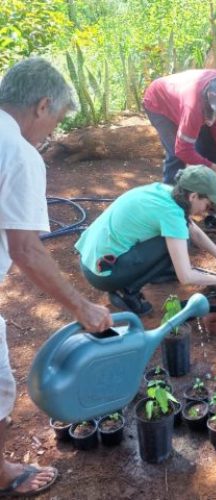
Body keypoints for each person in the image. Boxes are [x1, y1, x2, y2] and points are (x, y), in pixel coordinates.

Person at [0, 58, 112, 496]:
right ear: (43, 105)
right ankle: (2, 476)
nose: (51, 134)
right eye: (57, 121)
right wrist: (81, 306)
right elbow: (25, 249)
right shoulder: (17, 152)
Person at [75, 165, 216, 315]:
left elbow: (195, 231)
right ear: (193, 196)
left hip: (89, 259)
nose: (206, 210)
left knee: (180, 237)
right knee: (178, 242)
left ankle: (151, 272)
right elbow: (186, 277)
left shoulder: (166, 192)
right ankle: (127, 292)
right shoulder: (171, 214)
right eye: (208, 204)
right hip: (104, 274)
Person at [143, 69, 216, 186]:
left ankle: (211, 196)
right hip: (159, 102)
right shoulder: (194, 109)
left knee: (212, 145)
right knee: (176, 156)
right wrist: (213, 168)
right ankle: (171, 197)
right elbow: (183, 150)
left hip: (183, 101)